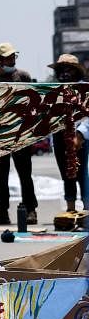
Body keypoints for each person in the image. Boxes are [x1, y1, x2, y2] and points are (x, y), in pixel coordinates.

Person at [0, 42, 38, 225]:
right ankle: (2, 212)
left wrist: (32, 133)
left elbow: (33, 104)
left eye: (14, 56)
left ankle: (31, 210)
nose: (12, 60)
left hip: (21, 133)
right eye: (8, 57)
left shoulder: (23, 76)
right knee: (1, 175)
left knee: (25, 174)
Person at [48, 54, 89, 212]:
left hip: (80, 135)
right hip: (60, 136)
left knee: (82, 174)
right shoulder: (55, 90)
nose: (64, 73)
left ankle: (87, 209)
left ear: (76, 71)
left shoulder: (84, 88)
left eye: (69, 69)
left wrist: (80, 134)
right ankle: (71, 210)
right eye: (61, 69)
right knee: (67, 176)